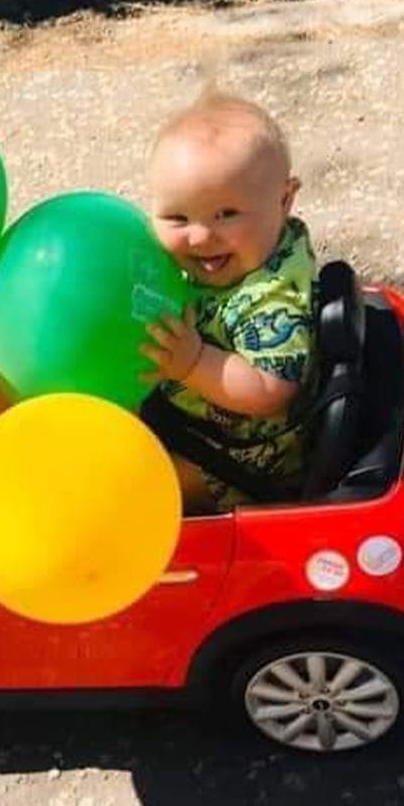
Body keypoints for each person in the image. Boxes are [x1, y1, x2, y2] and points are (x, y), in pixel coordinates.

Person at [140, 89, 320, 512]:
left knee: (135, 485)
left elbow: (268, 388)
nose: (201, 236)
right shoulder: (236, 259)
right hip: (192, 422)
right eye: (177, 218)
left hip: (242, 462)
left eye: (226, 215)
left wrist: (193, 362)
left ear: (284, 200)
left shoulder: (271, 299)